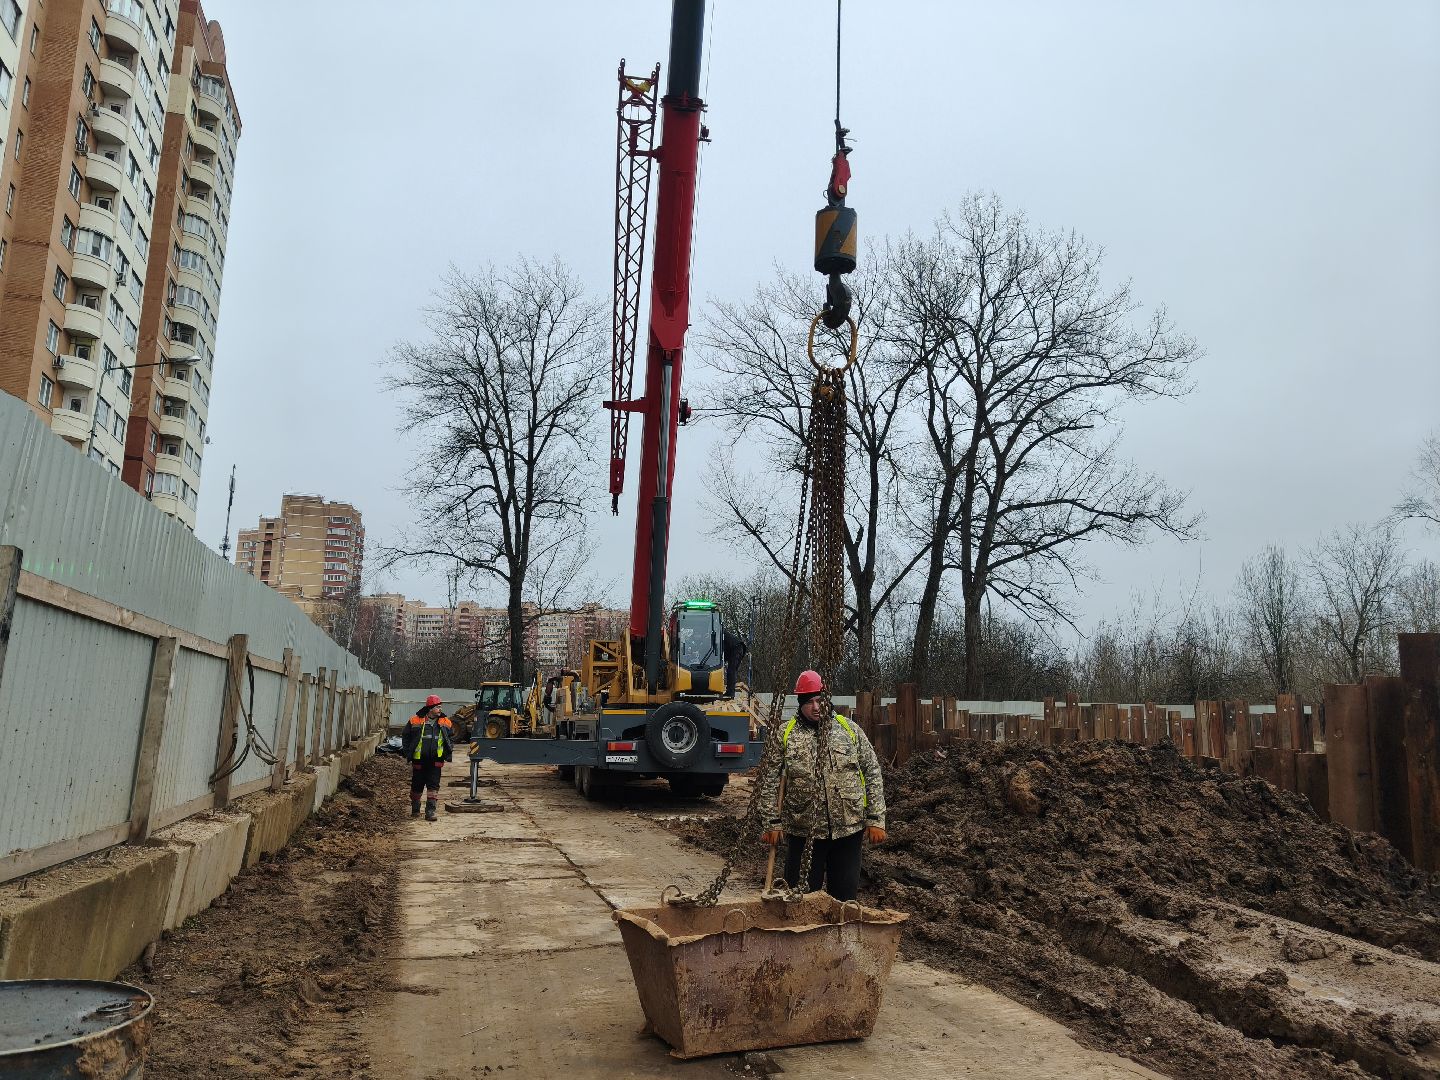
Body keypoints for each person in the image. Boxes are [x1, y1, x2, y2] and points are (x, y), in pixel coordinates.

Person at [757, 670, 886, 901]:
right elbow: (769, 780)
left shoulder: (849, 730)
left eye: (820, 700)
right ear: (800, 704)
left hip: (848, 830)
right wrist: (770, 823)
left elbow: (872, 771)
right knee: (800, 900)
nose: (816, 707)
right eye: (809, 702)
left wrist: (876, 818)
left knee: (845, 899)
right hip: (803, 832)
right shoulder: (785, 734)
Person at [402, 695, 454, 821]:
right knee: (416, 787)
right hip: (419, 761)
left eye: (440, 706)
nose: (440, 709)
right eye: (438, 707)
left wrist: (449, 750)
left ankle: (430, 812)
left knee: (433, 787)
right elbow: (406, 737)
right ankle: (415, 809)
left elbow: (451, 738)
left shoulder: (445, 722)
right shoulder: (415, 721)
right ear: (430, 708)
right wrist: (407, 752)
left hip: (436, 761)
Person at [722, 627, 748, 698]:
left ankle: (730, 693)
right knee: (730, 670)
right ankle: (730, 691)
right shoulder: (718, 633)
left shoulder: (717, 633)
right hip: (735, 648)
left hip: (737, 648)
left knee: (731, 671)